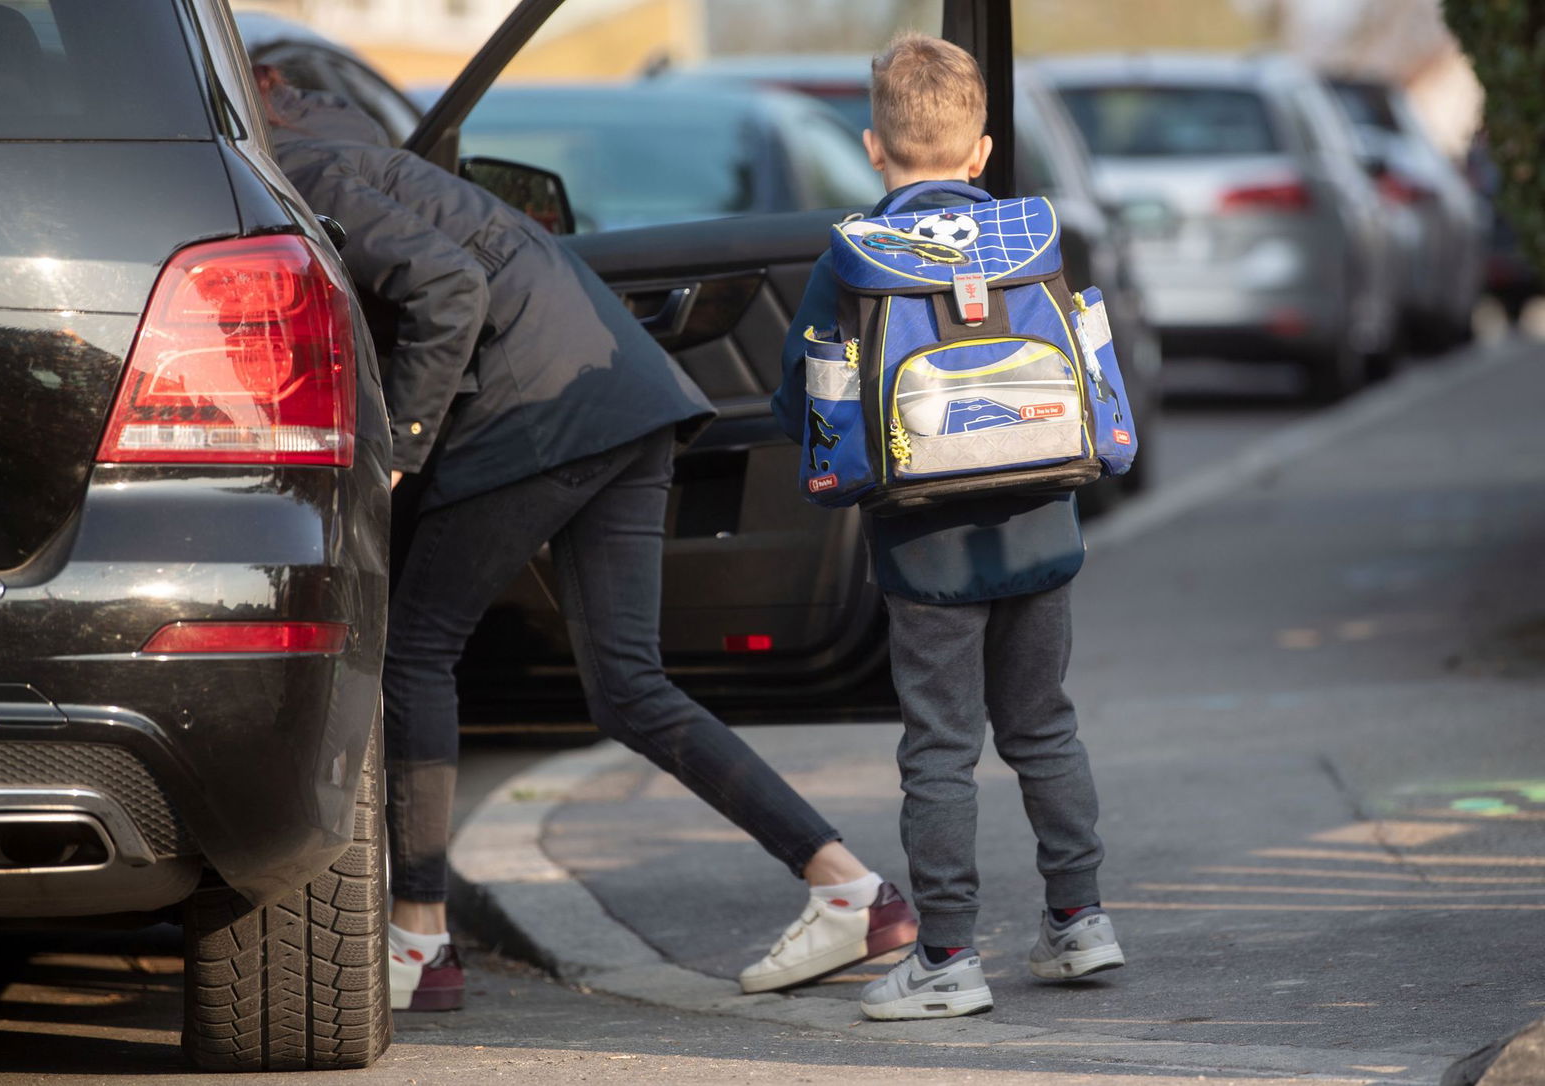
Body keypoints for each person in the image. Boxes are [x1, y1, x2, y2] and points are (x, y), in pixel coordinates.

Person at [254, 71, 919, 1013]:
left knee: (416, 650)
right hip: (625, 402)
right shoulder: (368, 155)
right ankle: (849, 888)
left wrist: (400, 449)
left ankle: (419, 939)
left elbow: (448, 288)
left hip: (538, 417)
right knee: (629, 689)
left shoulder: (301, 173)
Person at [770, 33, 1126, 1022]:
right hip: (1042, 524)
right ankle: (1079, 919)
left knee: (939, 748)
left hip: (923, 548)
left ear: (872, 149)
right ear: (980, 151)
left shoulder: (855, 257)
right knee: (1043, 725)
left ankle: (947, 956)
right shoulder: (1031, 239)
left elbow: (800, 401)